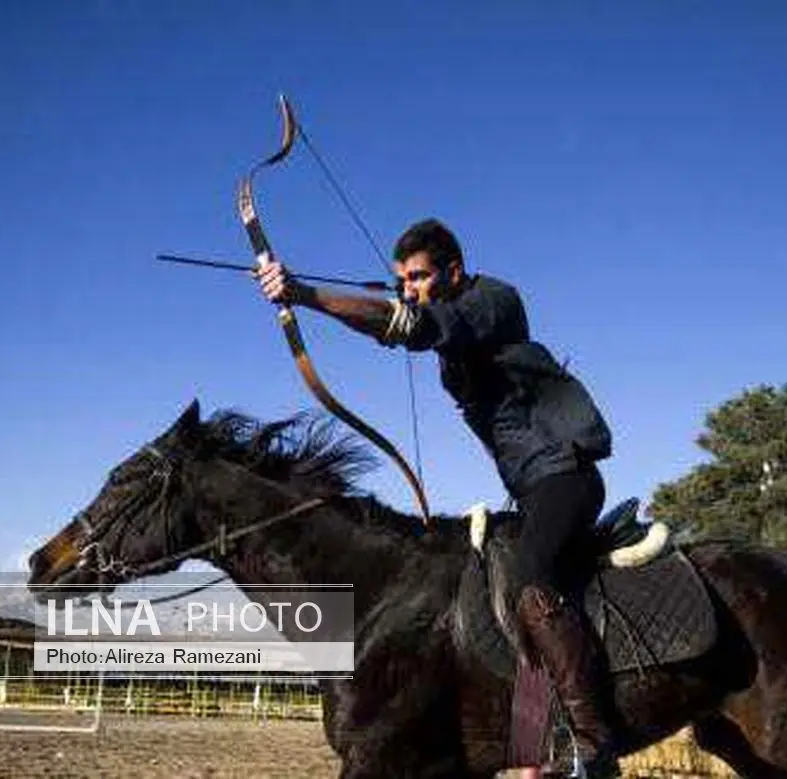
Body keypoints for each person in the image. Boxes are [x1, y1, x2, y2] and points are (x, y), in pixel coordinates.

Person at [255, 218, 618, 778]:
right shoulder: (452, 328)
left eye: (419, 277)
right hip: (532, 488)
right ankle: (528, 743)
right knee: (488, 588)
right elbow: (405, 321)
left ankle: (592, 743)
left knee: (529, 578)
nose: (409, 288)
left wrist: (302, 294)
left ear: (453, 271)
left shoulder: (493, 302)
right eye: (401, 279)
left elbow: (409, 326)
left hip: (565, 476)